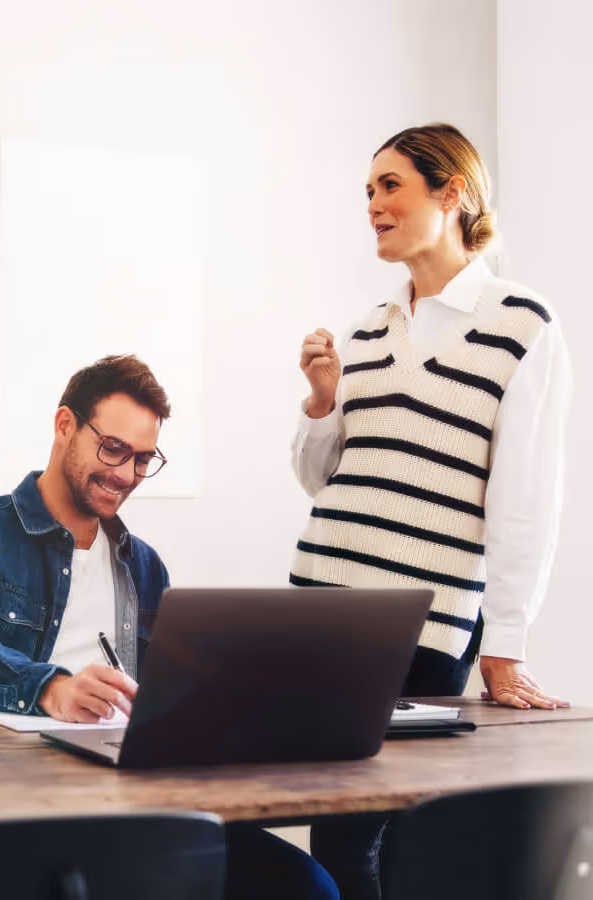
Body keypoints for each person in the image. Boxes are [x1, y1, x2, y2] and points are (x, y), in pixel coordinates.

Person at [0, 354, 339, 900]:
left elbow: (173, 696)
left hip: (126, 801)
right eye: (113, 449)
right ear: (64, 425)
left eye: (142, 459)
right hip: (3, 802)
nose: (124, 474)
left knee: (306, 886)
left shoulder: (143, 565)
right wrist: (52, 687)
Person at [291, 123, 572, 897]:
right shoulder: (364, 333)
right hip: (318, 611)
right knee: (331, 828)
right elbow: (323, 479)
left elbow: (527, 500)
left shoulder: (522, 327)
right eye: (369, 192)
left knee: (385, 836)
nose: (374, 205)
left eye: (391, 186)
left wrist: (504, 642)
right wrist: (322, 400)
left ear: (452, 193)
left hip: (421, 625)